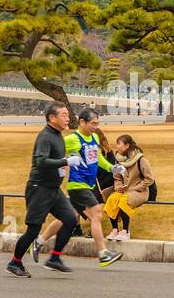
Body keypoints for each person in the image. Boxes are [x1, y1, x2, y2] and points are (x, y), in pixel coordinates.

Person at [32, 108, 123, 268]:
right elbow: (53, 152)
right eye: (93, 123)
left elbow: (99, 159)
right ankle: (103, 254)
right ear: (82, 122)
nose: (96, 127)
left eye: (97, 123)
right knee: (96, 214)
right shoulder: (72, 139)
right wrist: (63, 163)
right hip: (77, 185)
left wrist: (112, 168)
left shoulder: (94, 137)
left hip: (89, 185)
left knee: (68, 217)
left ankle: (39, 242)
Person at [6, 103, 80, 277]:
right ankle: (15, 262)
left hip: (54, 190)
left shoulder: (58, 135)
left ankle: (55, 258)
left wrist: (66, 159)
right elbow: (40, 161)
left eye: (67, 114)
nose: (67, 117)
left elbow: (56, 158)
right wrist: (66, 162)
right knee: (33, 230)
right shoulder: (45, 137)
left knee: (70, 219)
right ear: (52, 118)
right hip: (39, 189)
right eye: (63, 114)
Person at [104, 134, 154, 240]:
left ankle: (126, 231)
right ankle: (115, 230)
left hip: (140, 192)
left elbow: (149, 179)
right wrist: (119, 187)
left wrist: (136, 187)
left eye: (119, 144)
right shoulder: (118, 160)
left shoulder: (141, 159)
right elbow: (117, 178)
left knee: (123, 200)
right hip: (124, 191)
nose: (116, 146)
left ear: (127, 146)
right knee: (112, 199)